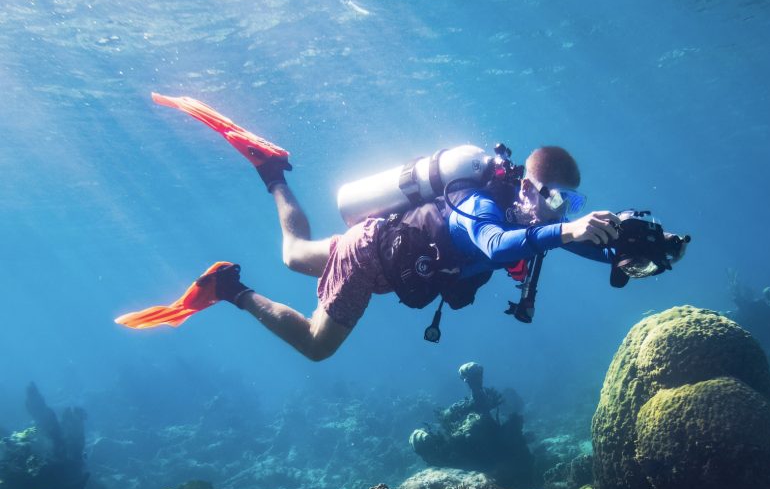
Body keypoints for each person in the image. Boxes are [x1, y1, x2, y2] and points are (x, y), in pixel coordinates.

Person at [117, 96, 688, 358]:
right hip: (373, 257)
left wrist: (628, 248)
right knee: (318, 348)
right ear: (527, 187)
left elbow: (554, 239)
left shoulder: (532, 217)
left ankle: (271, 168)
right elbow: (494, 244)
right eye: (555, 199)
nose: (559, 211)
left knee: (293, 253)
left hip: (387, 250)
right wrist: (566, 232)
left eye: (572, 203)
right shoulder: (481, 205)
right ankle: (229, 289)